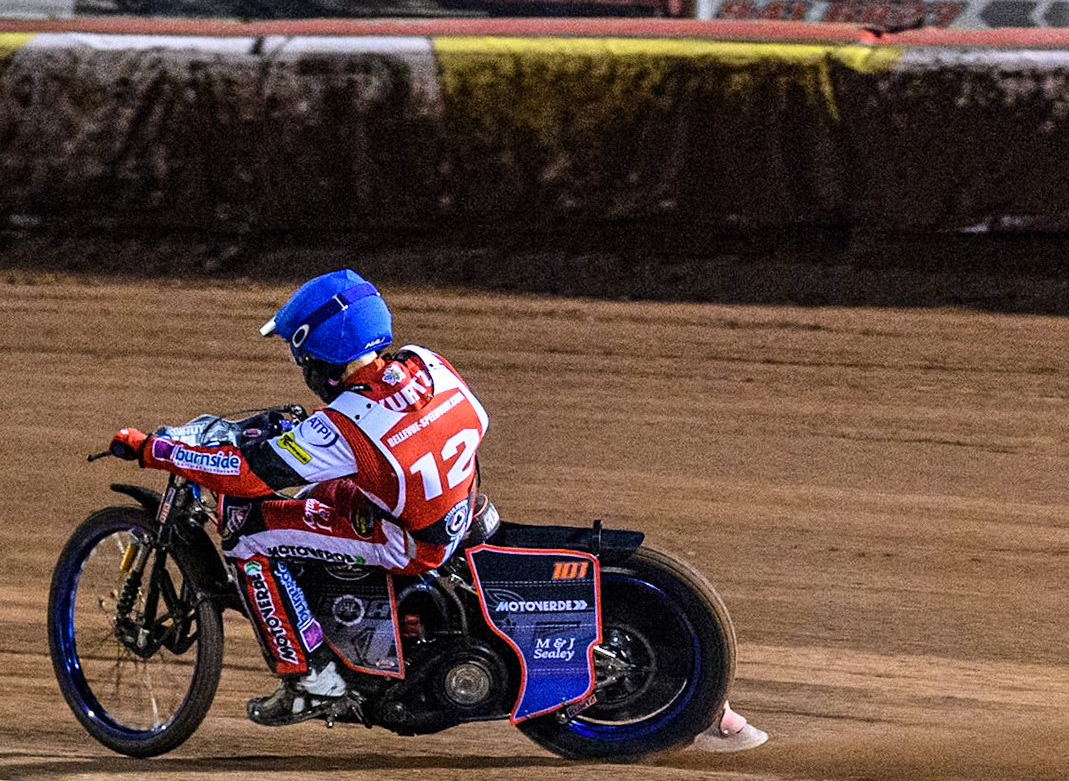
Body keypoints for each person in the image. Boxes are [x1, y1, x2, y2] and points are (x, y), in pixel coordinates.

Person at [109, 268, 767, 749]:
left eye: (299, 349)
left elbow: (251, 474)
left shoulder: (342, 426)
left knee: (250, 531)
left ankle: (308, 676)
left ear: (320, 351)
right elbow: (474, 422)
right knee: (326, 496)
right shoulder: (426, 364)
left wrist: (153, 448)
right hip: (466, 509)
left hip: (410, 542)